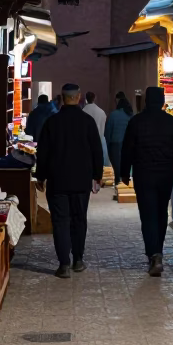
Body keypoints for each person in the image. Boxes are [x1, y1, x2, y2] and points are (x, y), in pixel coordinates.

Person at [35, 83, 103, 278]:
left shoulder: (52, 122)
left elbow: (43, 152)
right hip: (81, 182)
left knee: (60, 221)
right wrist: (97, 176)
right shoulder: (87, 122)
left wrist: (41, 176)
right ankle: (78, 259)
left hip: (58, 181)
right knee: (79, 219)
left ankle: (64, 264)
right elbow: (96, 150)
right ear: (79, 97)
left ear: (62, 97)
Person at [120, 85, 173, 276]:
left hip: (143, 174)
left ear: (147, 101)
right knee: (161, 213)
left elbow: (127, 149)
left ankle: (154, 253)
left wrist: (124, 173)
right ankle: (158, 251)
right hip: (165, 175)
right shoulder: (171, 122)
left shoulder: (136, 122)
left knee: (148, 214)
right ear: (162, 101)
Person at [105, 91, 133, 183]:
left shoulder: (113, 115)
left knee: (117, 170)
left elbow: (108, 132)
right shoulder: (130, 114)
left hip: (115, 145)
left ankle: (118, 185)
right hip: (128, 145)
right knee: (126, 169)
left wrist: (108, 146)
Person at [82, 91, 109, 167]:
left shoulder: (83, 111)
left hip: (86, 144)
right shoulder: (101, 112)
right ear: (94, 98)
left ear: (86, 99)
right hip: (99, 141)